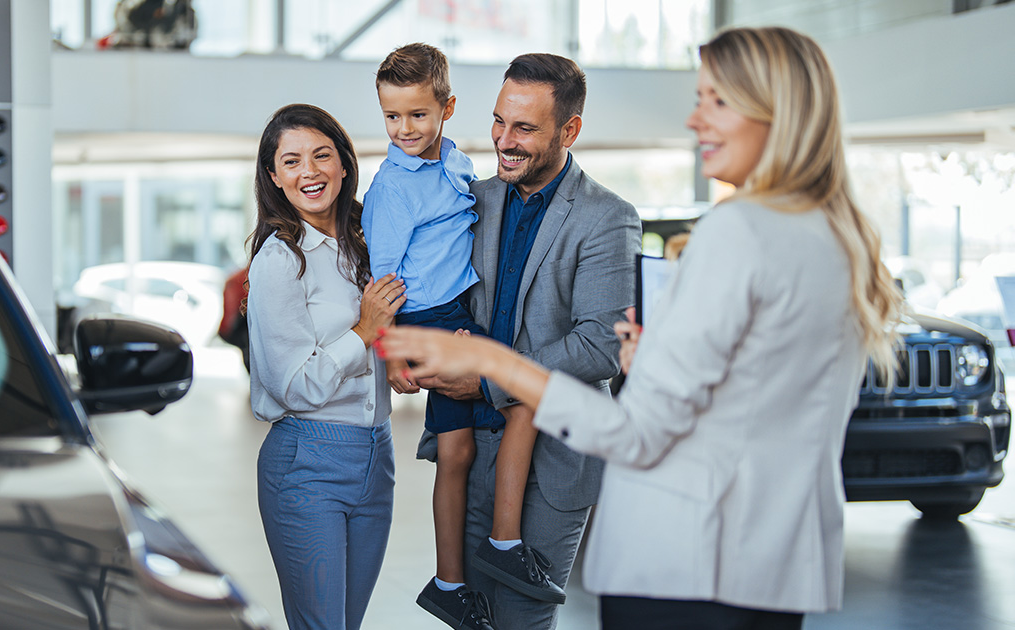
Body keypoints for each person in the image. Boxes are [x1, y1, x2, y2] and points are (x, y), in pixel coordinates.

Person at [377, 26, 905, 630]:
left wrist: (495, 369)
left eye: (716, 100)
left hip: (688, 547)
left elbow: (640, 430)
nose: (694, 120)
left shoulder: (727, 231)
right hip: (775, 557)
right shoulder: (841, 239)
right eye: (500, 122)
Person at [411, 53, 642, 630]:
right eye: (498, 121)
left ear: (570, 130)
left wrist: (491, 377)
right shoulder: (471, 199)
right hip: (468, 444)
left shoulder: (608, 218)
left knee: (520, 618)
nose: (503, 141)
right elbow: (436, 291)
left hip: (554, 463)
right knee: (469, 616)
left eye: (524, 128)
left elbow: (601, 345)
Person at [361, 42, 545, 630]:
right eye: (392, 116)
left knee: (495, 422)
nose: (404, 128)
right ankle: (461, 573)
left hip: (463, 312)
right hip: (426, 320)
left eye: (418, 114)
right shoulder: (392, 188)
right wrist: (392, 353)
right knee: (464, 445)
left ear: (447, 108)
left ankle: (486, 552)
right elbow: (383, 281)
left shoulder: (460, 164)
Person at [247, 103, 407, 630]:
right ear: (274, 177)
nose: (309, 172)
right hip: (306, 460)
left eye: (321, 155)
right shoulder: (280, 259)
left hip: (376, 454)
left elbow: (383, 337)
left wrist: (396, 358)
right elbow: (293, 385)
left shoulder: (367, 243)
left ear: (344, 164)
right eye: (291, 162)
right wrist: (364, 331)